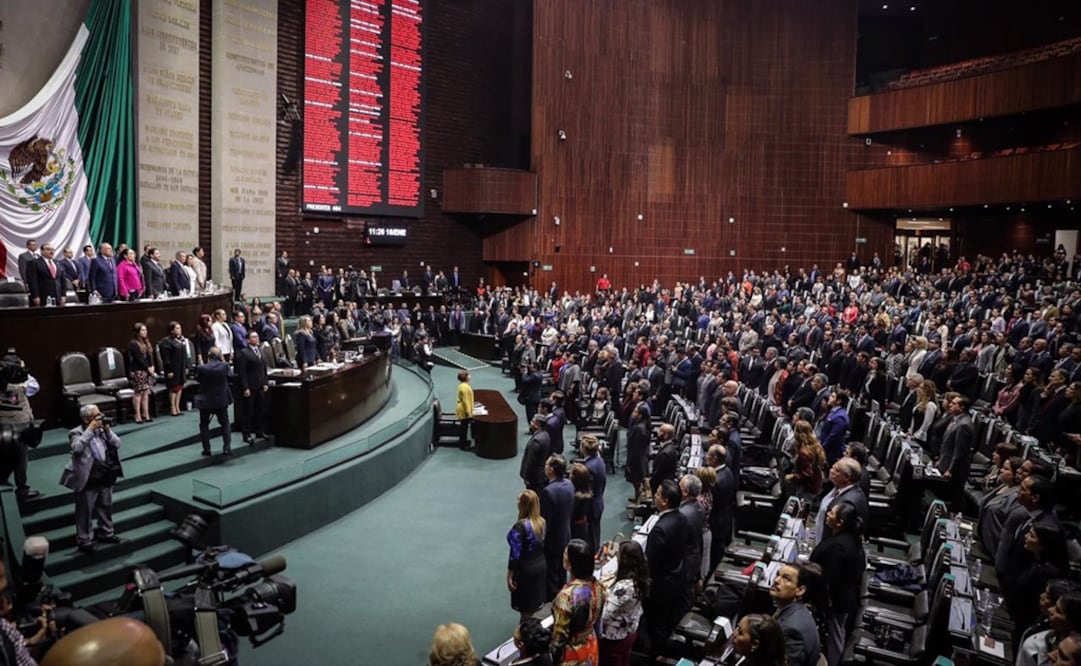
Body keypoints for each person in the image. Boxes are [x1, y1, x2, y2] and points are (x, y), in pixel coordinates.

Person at [811, 502, 867, 665]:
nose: (827, 514)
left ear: (840, 522)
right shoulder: (849, 537)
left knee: (835, 637)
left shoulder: (839, 546)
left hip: (836, 601)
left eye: (831, 513)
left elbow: (829, 578)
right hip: (842, 597)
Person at [61, 405, 122, 554]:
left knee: (106, 505)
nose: (100, 417)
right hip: (88, 476)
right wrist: (89, 430)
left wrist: (107, 430)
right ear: (86, 418)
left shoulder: (102, 430)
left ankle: (106, 533)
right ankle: (84, 540)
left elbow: (117, 444)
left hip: (105, 473)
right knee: (85, 510)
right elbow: (77, 448)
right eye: (96, 415)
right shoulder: (76, 432)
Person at [1008, 524, 1071, 649]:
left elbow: (1035, 604)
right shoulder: (1037, 561)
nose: (1026, 536)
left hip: (1025, 624)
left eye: (1031, 536)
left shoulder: (1048, 573)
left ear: (1043, 544)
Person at [645, 479, 689, 654]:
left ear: (664, 501)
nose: (654, 497)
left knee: (656, 626)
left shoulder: (660, 529)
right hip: (676, 577)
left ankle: (657, 657)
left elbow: (649, 563)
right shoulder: (682, 517)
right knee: (668, 621)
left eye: (657, 494)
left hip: (659, 586)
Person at [551, 539, 607, 666]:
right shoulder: (599, 586)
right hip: (591, 645)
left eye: (565, 554)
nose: (563, 556)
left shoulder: (566, 597)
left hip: (572, 654)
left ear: (571, 564)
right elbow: (598, 623)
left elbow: (558, 638)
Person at [599, 540, 648, 666]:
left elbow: (604, 616)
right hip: (630, 631)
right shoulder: (641, 577)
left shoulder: (624, 586)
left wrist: (604, 596)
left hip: (615, 639)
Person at [769, 563, 822, 666]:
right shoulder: (792, 610)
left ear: (800, 590)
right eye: (778, 575)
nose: (776, 580)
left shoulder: (792, 631)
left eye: (786, 579)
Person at [507, 490, 547, 621]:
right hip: (540, 565)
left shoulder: (520, 526)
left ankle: (526, 634)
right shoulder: (541, 522)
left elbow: (515, 554)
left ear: (524, 505)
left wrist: (510, 575)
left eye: (519, 500)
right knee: (534, 605)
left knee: (525, 610)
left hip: (525, 571)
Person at [541, 455, 574, 600]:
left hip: (553, 539)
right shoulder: (569, 484)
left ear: (552, 470)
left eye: (547, 465)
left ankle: (553, 602)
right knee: (562, 571)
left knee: (551, 573)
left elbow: (545, 521)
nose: (545, 467)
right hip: (565, 533)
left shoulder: (548, 492)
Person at [976, 455, 1022, 558]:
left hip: (994, 550)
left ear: (1016, 474)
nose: (1001, 470)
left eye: (1006, 469)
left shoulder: (1016, 496)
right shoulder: (1003, 486)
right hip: (983, 542)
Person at [815, 457, 868, 543]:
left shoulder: (847, 503)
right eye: (832, 467)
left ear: (846, 477)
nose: (831, 471)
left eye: (836, 470)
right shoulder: (840, 487)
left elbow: (838, 535)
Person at [195, 347, 233, 457]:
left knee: (204, 425)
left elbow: (198, 379)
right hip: (221, 400)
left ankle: (207, 449)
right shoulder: (224, 366)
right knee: (225, 423)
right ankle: (227, 448)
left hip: (206, 400)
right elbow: (230, 377)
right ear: (220, 356)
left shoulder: (201, 368)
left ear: (208, 355)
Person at [234, 330, 269, 445]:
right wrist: (245, 388)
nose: (257, 338)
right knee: (248, 411)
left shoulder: (260, 350)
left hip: (260, 385)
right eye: (254, 337)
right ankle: (247, 434)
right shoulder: (243, 353)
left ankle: (259, 431)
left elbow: (264, 369)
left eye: (257, 336)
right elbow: (242, 373)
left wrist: (265, 382)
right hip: (250, 386)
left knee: (260, 410)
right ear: (248, 340)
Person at [708, 443, 737, 570]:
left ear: (715, 458)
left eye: (708, 455)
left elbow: (711, 506)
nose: (706, 457)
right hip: (724, 517)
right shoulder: (727, 471)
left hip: (717, 522)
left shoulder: (717, 481)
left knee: (715, 552)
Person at [785, 420, 825, 499]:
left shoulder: (804, 452)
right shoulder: (815, 445)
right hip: (815, 484)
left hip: (807, 488)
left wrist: (792, 476)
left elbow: (807, 474)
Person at [579, 435, 606, 551]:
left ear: (584, 449)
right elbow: (603, 483)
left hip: (591, 506)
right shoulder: (599, 460)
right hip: (599, 500)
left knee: (590, 535)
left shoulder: (588, 468)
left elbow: (587, 492)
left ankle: (593, 556)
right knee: (595, 531)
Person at [127, 323, 155, 424]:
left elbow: (149, 356)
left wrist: (152, 366)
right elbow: (138, 359)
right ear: (137, 332)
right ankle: (137, 415)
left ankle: (146, 414)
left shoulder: (146, 342)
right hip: (138, 370)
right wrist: (148, 368)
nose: (145, 332)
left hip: (147, 370)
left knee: (146, 392)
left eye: (145, 330)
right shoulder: (133, 344)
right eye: (142, 330)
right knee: (138, 393)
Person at [158, 321, 188, 417]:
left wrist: (186, 366)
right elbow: (166, 358)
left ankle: (177, 406)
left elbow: (185, 355)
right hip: (172, 368)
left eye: (180, 328)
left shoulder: (182, 340)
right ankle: (172, 407)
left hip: (181, 367)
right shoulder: (166, 342)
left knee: (180, 386)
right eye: (177, 328)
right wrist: (169, 370)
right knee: (173, 387)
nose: (180, 330)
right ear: (172, 330)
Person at [625, 405, 650, 503]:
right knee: (637, 482)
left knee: (637, 482)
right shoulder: (645, 424)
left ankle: (637, 504)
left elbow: (634, 448)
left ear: (640, 415)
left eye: (635, 412)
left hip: (636, 459)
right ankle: (636, 499)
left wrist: (630, 463)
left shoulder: (639, 428)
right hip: (642, 457)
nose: (633, 413)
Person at [570, 463, 595, 554]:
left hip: (574, 529)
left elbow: (571, 516)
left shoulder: (575, 498)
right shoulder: (590, 494)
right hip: (584, 528)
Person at [455, 371, 474, 451]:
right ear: (465, 377)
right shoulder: (465, 388)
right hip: (464, 410)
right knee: (464, 428)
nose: (470, 376)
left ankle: (463, 442)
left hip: (462, 408)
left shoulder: (462, 385)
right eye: (468, 375)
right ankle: (463, 445)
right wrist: (468, 413)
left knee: (464, 427)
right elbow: (466, 401)